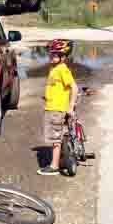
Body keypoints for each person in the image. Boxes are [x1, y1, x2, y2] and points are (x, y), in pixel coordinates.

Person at [38, 39, 78, 175]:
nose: (51, 56)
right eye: (51, 54)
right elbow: (57, 87)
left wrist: (71, 106)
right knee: (54, 137)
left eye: (55, 54)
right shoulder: (54, 69)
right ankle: (59, 160)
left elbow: (74, 87)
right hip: (51, 107)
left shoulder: (62, 69)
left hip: (57, 109)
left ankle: (54, 166)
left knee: (55, 138)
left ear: (63, 57)